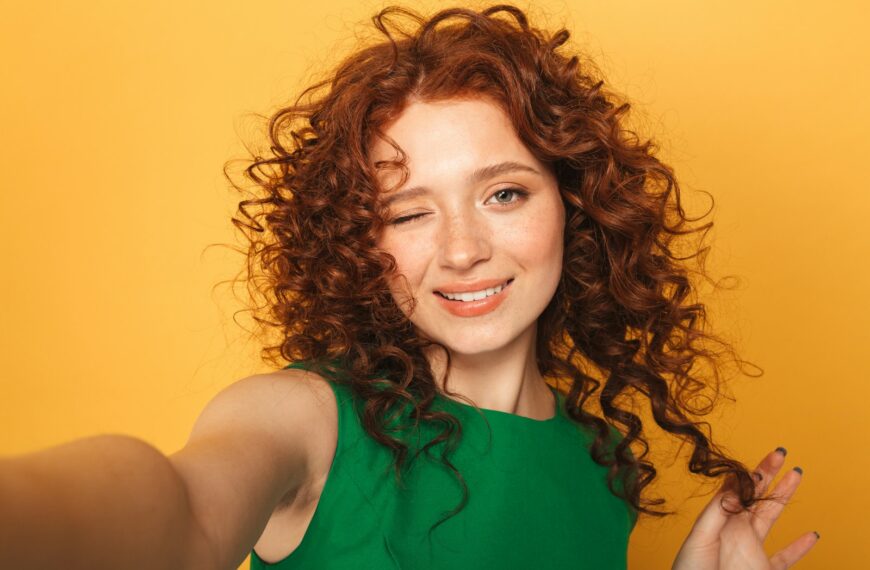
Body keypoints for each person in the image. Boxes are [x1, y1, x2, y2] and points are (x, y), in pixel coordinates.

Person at [0, 4, 817, 569]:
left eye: (503, 193)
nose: (461, 250)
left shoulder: (598, 466)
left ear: (575, 205)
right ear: (358, 238)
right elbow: (178, 512)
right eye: (406, 212)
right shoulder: (305, 419)